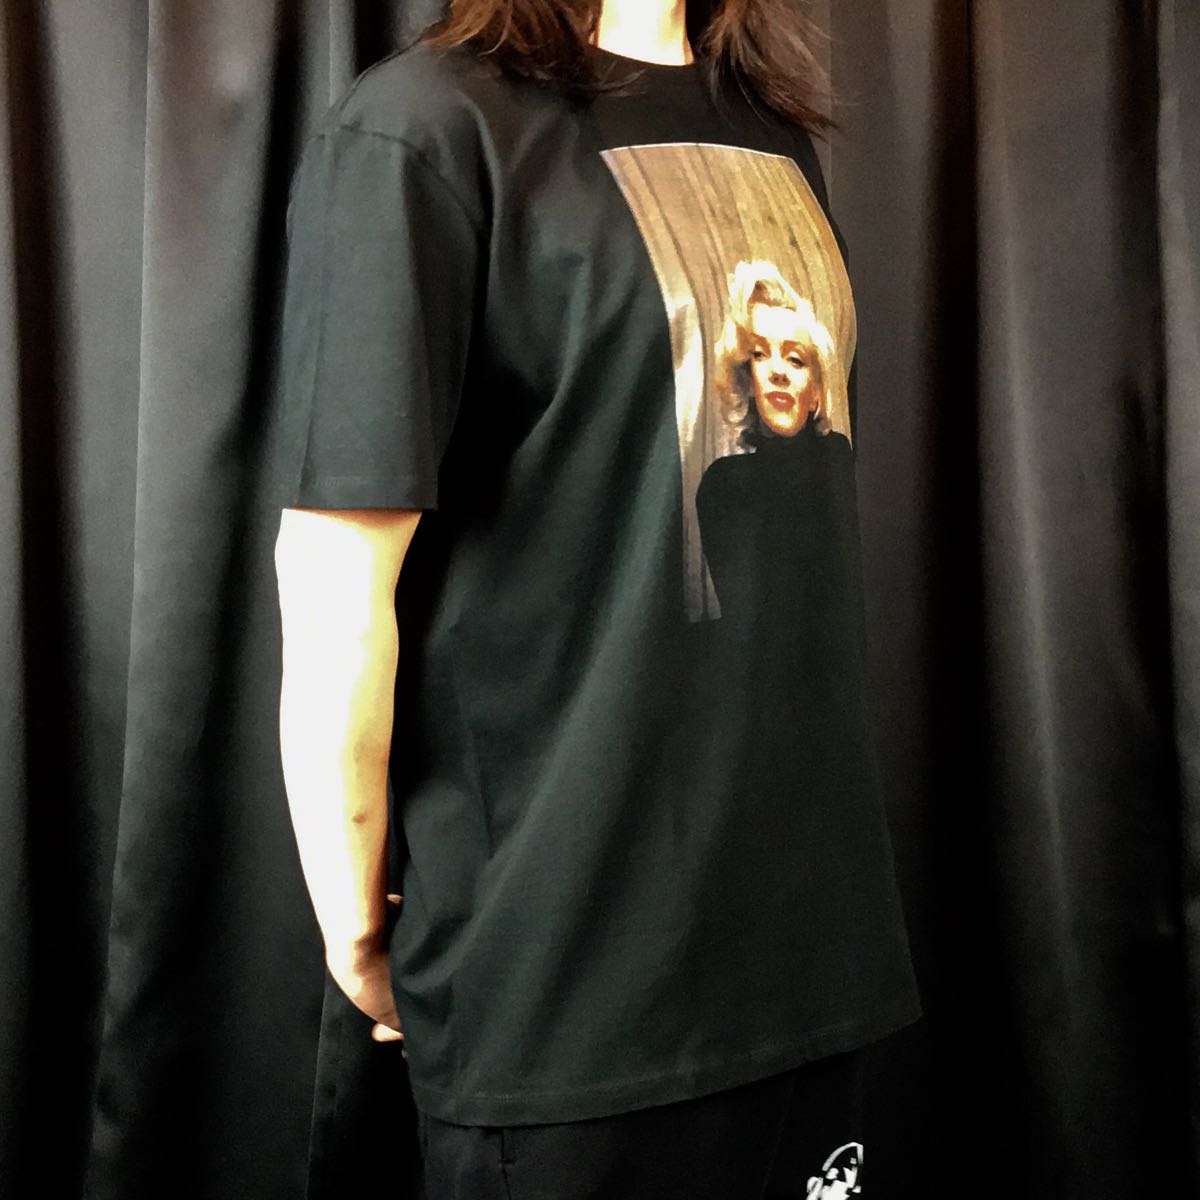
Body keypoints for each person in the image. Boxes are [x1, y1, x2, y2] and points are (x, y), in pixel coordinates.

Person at [272, 0, 921, 1195]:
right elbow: (335, 578)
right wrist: (356, 929)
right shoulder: (426, 129)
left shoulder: (769, 130)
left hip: (810, 966)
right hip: (569, 989)